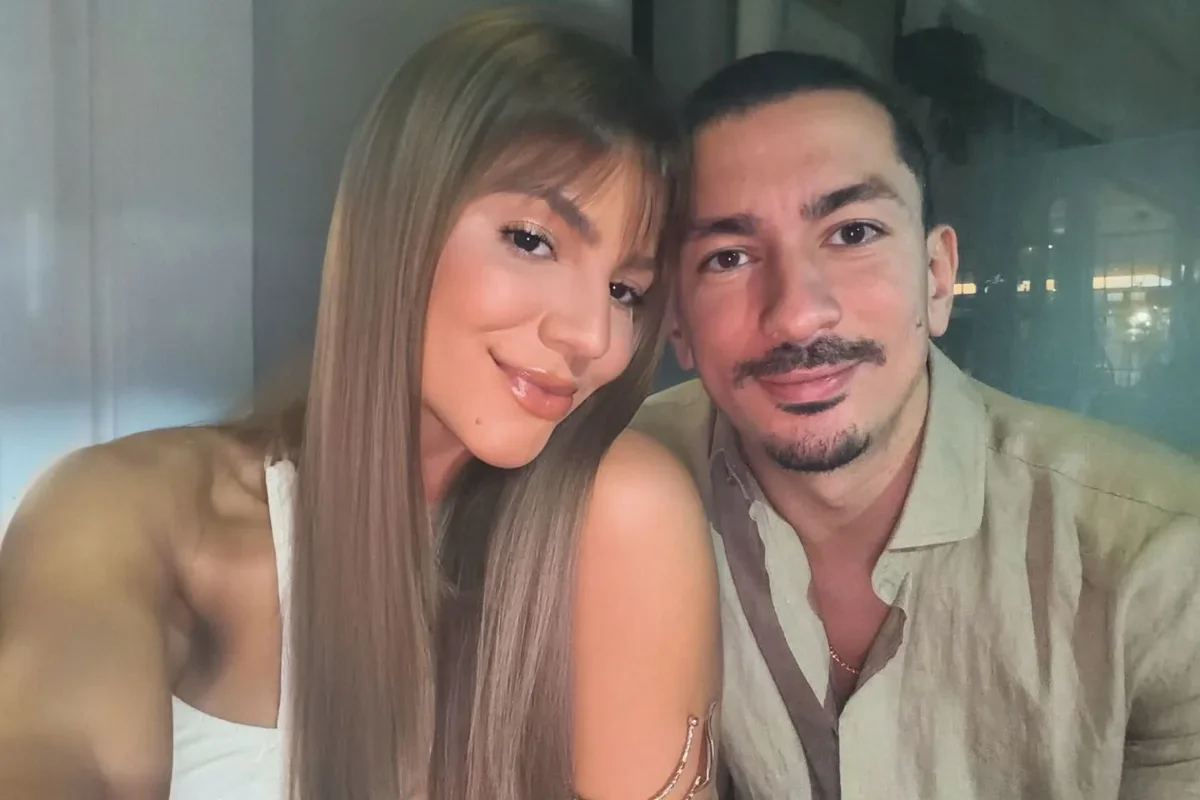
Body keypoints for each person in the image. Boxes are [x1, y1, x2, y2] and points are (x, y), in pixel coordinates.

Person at [0, 10, 721, 800]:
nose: (591, 335)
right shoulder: (131, 512)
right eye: (531, 240)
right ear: (397, 218)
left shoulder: (616, 518)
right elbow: (55, 743)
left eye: (625, 290)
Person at [633, 50, 1200, 799]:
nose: (798, 313)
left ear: (937, 278)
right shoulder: (611, 497)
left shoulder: (1162, 568)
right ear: (676, 321)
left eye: (853, 233)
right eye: (729, 256)